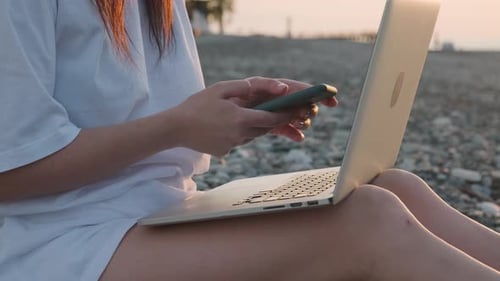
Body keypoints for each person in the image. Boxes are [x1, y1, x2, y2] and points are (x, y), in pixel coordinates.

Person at [0, 0, 498, 280]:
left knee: (394, 187)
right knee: (368, 220)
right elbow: (10, 172)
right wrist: (178, 126)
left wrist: (229, 111)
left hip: (154, 213)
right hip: (53, 246)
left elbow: (151, 119)